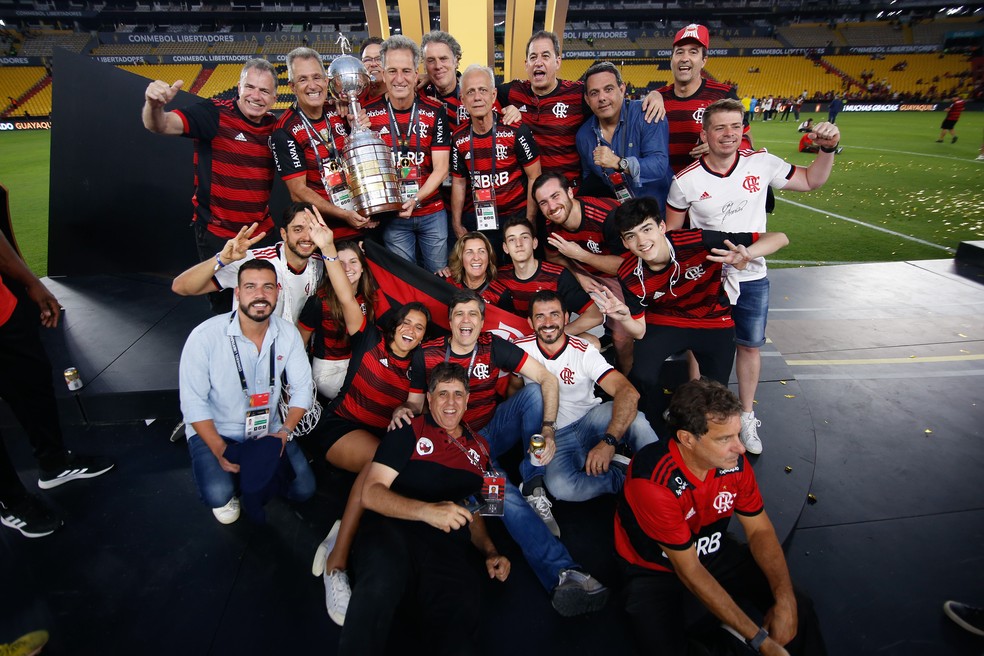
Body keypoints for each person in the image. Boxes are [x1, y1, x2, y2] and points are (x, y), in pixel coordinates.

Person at [407, 290, 609, 616]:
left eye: (473, 314)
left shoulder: (493, 346)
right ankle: (562, 573)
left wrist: (547, 429)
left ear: (483, 321)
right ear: (449, 320)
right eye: (459, 314)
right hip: (457, 444)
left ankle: (534, 480)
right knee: (504, 494)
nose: (466, 321)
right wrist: (404, 411)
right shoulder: (426, 354)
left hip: (491, 431)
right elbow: (415, 405)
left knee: (533, 395)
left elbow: (547, 379)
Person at [665, 98, 840, 454]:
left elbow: (811, 181)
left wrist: (828, 149)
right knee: (699, 348)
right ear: (705, 133)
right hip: (708, 281)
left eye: (735, 126)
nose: (729, 135)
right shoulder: (685, 181)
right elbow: (673, 235)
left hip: (753, 275)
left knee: (749, 345)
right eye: (720, 127)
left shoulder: (761, 163)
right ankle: (700, 411)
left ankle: (746, 414)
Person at [616, 379, 827, 655]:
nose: (740, 449)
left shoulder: (733, 463)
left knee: (800, 606)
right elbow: (689, 571)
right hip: (654, 570)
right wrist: (759, 640)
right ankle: (727, 640)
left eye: (737, 435)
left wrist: (785, 599)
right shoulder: (654, 482)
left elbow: (759, 530)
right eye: (725, 439)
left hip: (712, 548)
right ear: (687, 439)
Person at [302, 208, 431, 626]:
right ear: (394, 325)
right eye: (408, 323)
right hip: (341, 428)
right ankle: (337, 568)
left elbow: (415, 405)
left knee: (390, 463)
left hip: (378, 438)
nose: (413, 330)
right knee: (382, 465)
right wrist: (327, 250)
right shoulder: (369, 335)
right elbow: (343, 293)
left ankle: (342, 526)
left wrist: (404, 407)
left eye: (421, 327)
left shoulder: (417, 365)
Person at [337, 362, 510, 655]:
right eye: (443, 394)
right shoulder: (408, 430)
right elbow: (372, 492)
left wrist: (491, 551)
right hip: (392, 529)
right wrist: (427, 511)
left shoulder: (481, 448)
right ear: (429, 400)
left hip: (447, 548)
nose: (451, 402)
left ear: (468, 400)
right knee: (379, 587)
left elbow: (476, 510)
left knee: (460, 615)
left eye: (458, 394)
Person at [589, 197, 789, 434]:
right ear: (624, 241)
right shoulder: (629, 273)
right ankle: (644, 429)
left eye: (647, 229)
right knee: (642, 375)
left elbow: (780, 237)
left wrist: (746, 254)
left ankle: (707, 430)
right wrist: (623, 317)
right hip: (666, 320)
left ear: (662, 227)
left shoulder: (697, 241)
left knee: (716, 391)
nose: (642, 241)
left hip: (714, 320)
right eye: (631, 236)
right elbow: (640, 330)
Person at [178, 259, 316, 525]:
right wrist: (218, 448)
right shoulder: (205, 336)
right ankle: (234, 484)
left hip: (268, 428)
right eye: (250, 287)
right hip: (218, 429)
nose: (260, 295)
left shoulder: (288, 334)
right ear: (238, 292)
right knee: (218, 494)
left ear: (277, 291)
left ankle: (255, 476)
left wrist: (284, 433)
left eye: (267, 287)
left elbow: (302, 390)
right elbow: (193, 404)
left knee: (304, 490)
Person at [0, 233, 114, 538]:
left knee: (33, 382)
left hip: (3, 310)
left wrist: (31, 282)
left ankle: (53, 463)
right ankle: (11, 501)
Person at [142, 58, 279, 311]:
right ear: (238, 87)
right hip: (219, 236)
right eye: (250, 87)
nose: (255, 96)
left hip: (260, 236)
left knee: (262, 305)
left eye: (264, 91)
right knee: (225, 308)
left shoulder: (275, 127)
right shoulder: (213, 113)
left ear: (274, 97)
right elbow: (159, 124)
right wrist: (153, 105)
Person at [511, 291, 658, 502]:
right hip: (555, 435)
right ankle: (622, 477)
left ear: (566, 317)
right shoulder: (520, 349)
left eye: (554, 314)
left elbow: (628, 392)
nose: (548, 322)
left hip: (590, 420)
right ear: (530, 322)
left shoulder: (583, 350)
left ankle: (663, 476)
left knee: (638, 421)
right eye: (540, 316)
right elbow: (515, 391)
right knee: (562, 488)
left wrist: (609, 441)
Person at [497, 31, 664, 191]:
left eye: (545, 56)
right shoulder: (512, 92)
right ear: (526, 64)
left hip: (569, 190)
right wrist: (505, 110)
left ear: (558, 62)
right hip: (531, 189)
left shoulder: (578, 94)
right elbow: (483, 97)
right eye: (533, 57)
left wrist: (656, 95)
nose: (538, 62)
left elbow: (612, 101)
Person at [363, 35, 450, 273]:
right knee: (406, 281)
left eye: (406, 71)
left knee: (438, 278)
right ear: (382, 71)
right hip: (394, 216)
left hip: (431, 211)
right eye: (392, 71)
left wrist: (416, 199)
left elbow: (442, 168)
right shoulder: (367, 115)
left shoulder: (435, 111)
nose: (399, 79)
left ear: (416, 73)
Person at [269, 47, 376, 242]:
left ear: (326, 81)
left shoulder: (341, 111)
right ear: (292, 86)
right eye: (303, 79)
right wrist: (343, 214)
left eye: (317, 77)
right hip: (326, 234)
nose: (312, 85)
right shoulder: (285, 130)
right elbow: (298, 192)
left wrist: (361, 125)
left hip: (365, 223)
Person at [532, 172, 634, 372]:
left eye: (555, 196)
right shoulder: (548, 223)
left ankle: (625, 377)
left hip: (620, 275)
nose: (551, 207)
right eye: (543, 202)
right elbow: (553, 256)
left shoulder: (607, 216)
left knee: (622, 336)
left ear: (570, 192)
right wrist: (579, 274)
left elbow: (625, 265)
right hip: (584, 271)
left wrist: (581, 255)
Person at [171, 202, 324, 325]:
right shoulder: (253, 263)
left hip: (292, 352)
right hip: (251, 353)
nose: (306, 237)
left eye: (311, 229)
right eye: (298, 229)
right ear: (284, 234)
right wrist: (221, 260)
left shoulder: (319, 265)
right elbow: (180, 287)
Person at [450, 64, 541, 255]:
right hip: (481, 218)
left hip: (516, 218)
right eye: (470, 92)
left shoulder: (516, 130)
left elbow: (535, 177)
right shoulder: (458, 138)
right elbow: (459, 182)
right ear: (462, 100)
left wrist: (530, 221)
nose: (477, 97)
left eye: (483, 90)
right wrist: (456, 223)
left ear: (493, 95)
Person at [657, 24, 753, 176]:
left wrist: (722, 146)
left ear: (704, 60)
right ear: (671, 59)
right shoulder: (657, 98)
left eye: (693, 52)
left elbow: (747, 141)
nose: (684, 58)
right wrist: (653, 95)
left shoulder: (724, 94)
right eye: (679, 52)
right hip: (667, 190)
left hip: (709, 190)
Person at [575, 61, 672, 209]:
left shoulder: (647, 113)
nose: (602, 98)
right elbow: (589, 178)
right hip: (622, 216)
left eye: (608, 89)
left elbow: (659, 165)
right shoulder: (584, 135)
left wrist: (619, 163)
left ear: (622, 89)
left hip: (659, 213)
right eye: (594, 93)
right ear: (587, 100)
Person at [497, 217, 604, 344]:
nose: (519, 243)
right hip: (518, 341)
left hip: (551, 337)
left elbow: (595, 316)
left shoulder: (557, 275)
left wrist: (555, 334)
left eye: (524, 237)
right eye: (512, 239)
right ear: (505, 248)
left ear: (534, 243)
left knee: (591, 342)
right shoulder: (500, 277)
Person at [297, 239, 379, 400]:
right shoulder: (318, 301)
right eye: (340, 263)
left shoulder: (368, 297)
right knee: (366, 399)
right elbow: (299, 345)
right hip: (329, 368)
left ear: (362, 267)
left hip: (359, 363)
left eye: (353, 262)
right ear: (331, 269)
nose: (347, 268)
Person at [440, 231, 515, 314]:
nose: (476, 258)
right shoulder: (447, 282)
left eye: (481, 251)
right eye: (469, 252)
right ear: (460, 258)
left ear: (489, 257)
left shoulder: (501, 295)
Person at [357, 37, 386, 106]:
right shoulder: (355, 100)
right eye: (367, 60)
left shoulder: (400, 96)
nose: (373, 64)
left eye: (379, 59)